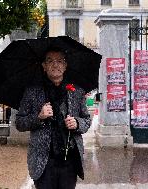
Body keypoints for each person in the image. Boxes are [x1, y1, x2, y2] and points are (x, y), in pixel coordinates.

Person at [16, 47, 91, 189]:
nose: (55, 65)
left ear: (65, 65)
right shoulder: (32, 92)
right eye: (50, 61)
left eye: (59, 61)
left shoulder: (76, 92)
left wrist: (77, 123)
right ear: (44, 66)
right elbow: (19, 123)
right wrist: (38, 117)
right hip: (43, 162)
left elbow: (87, 120)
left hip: (69, 161)